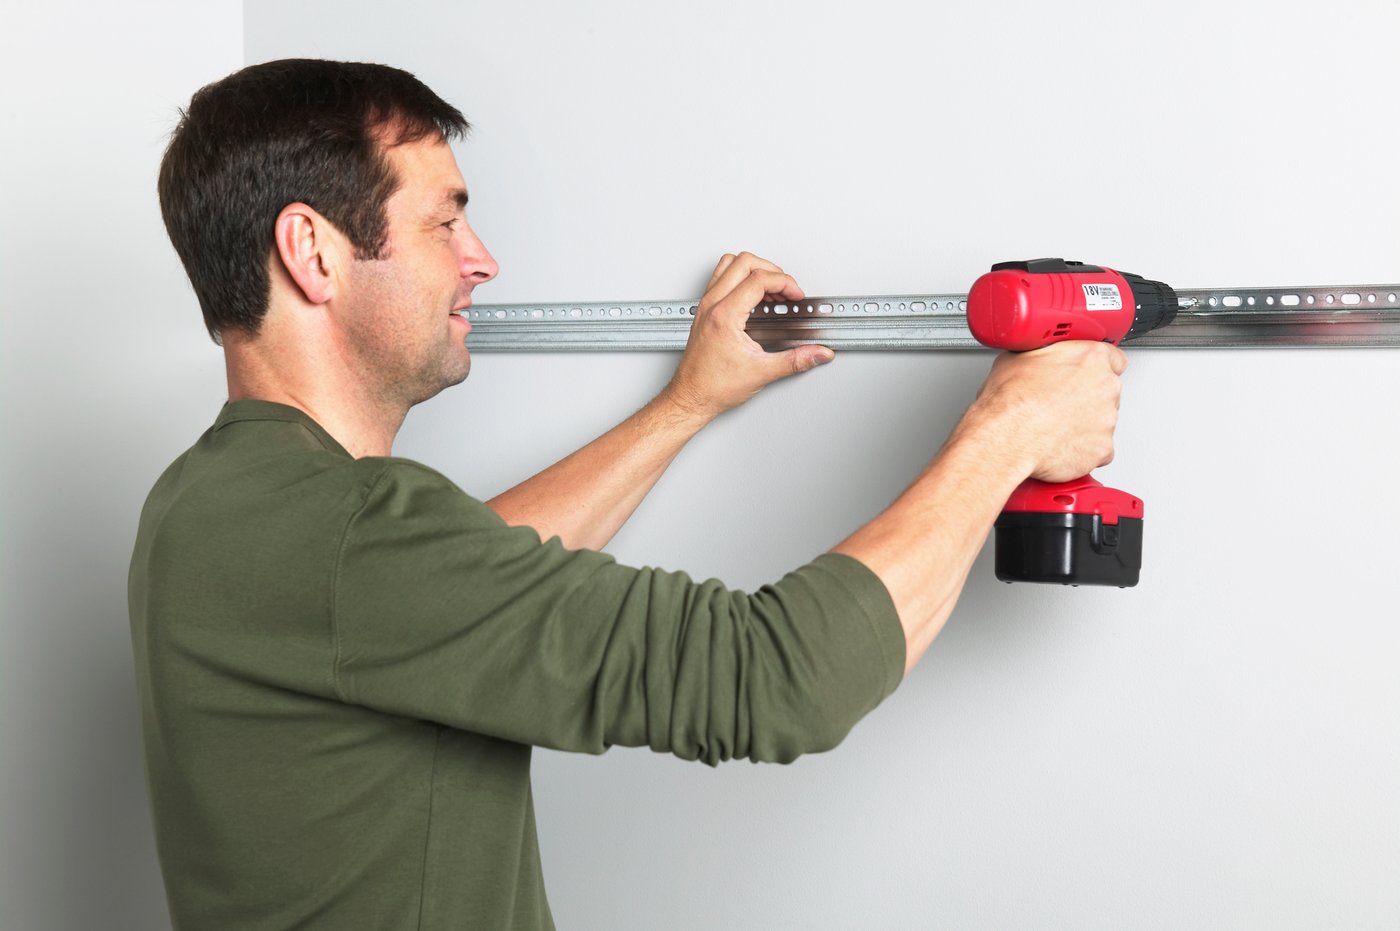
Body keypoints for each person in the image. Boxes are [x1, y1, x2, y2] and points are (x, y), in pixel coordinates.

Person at [130, 59, 1126, 930]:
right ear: (312, 252)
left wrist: (685, 404)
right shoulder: (347, 539)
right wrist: (1013, 429)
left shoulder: (217, 502)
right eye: (444, 219)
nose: (481, 259)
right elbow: (778, 679)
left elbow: (458, 579)